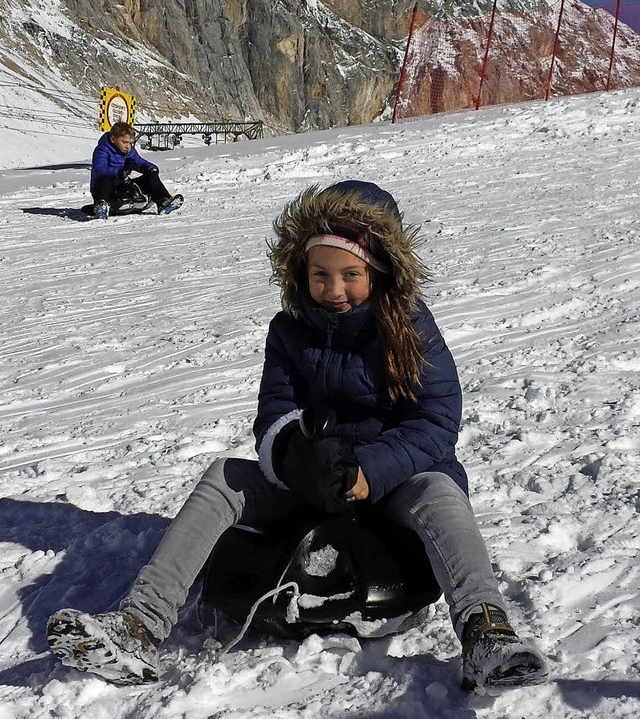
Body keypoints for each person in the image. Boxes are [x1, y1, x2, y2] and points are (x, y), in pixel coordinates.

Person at [47, 181, 547, 691]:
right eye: (320, 274)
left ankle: (486, 630)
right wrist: (290, 455)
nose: (334, 290)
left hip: (394, 479)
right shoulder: (288, 331)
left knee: (440, 492)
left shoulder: (410, 329)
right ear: (299, 273)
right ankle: (139, 624)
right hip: (311, 480)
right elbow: (275, 412)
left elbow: (437, 420)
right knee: (224, 476)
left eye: (351, 275)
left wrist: (369, 472)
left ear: (379, 271)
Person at [90, 122, 183, 219]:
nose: (128, 146)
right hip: (106, 190)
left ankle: (163, 202)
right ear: (113, 139)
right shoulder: (102, 150)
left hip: (122, 186)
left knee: (149, 176)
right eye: (124, 142)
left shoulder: (129, 152)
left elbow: (140, 163)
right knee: (105, 180)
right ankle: (101, 206)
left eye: (130, 143)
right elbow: (99, 170)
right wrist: (119, 172)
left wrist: (151, 169)